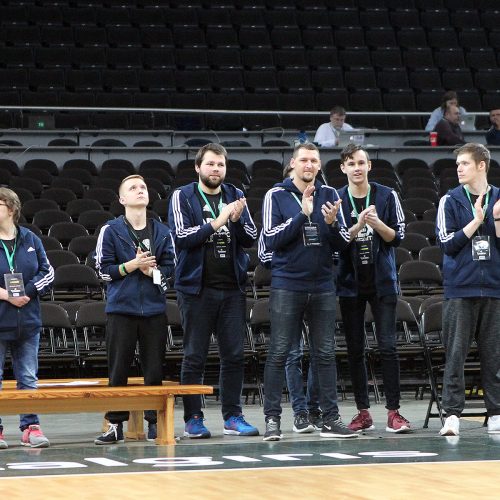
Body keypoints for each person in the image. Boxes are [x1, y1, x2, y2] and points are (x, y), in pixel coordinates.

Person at [259, 142, 357, 441]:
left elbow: (342, 243)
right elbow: (271, 240)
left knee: (325, 354)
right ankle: (273, 420)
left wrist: (329, 224)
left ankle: (329, 419)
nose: (309, 165)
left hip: (323, 285)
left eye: (314, 160)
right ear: (293, 163)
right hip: (288, 284)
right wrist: (302, 215)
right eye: (304, 160)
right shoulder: (275, 195)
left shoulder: (330, 194)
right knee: (279, 353)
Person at [168, 143, 259, 439]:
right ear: (198, 168)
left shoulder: (235, 195)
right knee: (194, 355)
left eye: (220, 165)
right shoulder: (183, 196)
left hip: (232, 288)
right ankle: (193, 418)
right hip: (196, 289)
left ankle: (233, 416)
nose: (216, 169)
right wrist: (216, 222)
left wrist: (235, 221)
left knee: (233, 355)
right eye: (210, 164)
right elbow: (181, 237)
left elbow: (250, 238)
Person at [336, 144, 411, 434]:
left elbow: (397, 238)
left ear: (369, 166)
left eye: (361, 162)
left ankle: (394, 412)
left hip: (382, 282)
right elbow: (337, 243)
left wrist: (376, 222)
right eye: (350, 163)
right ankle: (363, 412)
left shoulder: (387, 195)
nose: (356, 167)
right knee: (355, 350)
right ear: (343, 168)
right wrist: (356, 226)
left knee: (388, 347)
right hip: (349, 282)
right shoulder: (337, 198)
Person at [94, 175, 174, 445]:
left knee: (154, 369)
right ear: (122, 199)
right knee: (118, 369)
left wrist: (152, 271)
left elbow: (171, 273)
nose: (140, 191)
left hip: (154, 311)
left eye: (143, 187)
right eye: (133, 188)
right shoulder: (111, 229)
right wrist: (130, 266)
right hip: (122, 310)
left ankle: (154, 424)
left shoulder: (162, 232)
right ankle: (115, 424)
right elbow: (102, 271)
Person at [436, 142, 500, 437]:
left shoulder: (499, 198)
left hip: (495, 288)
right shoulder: (450, 200)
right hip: (460, 288)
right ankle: (451, 415)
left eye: (464, 163)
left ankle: (497, 413)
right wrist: (476, 221)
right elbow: (447, 245)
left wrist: (496, 220)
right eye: (458, 163)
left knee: (495, 355)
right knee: (456, 354)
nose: (458, 168)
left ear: (481, 165)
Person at [0, 188, 54, 449]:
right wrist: (7, 295)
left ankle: (30, 427)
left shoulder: (30, 238)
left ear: (11, 208)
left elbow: (48, 272)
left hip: (28, 320)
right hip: (0, 317)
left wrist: (27, 292)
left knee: (28, 378)